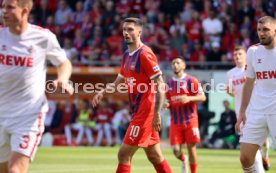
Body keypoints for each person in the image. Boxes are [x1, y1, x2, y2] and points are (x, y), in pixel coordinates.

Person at [0, 0, 74, 173]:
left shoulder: (43, 37)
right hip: (1, 112)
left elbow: (64, 64)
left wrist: (62, 79)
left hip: (28, 115)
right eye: (3, 7)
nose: (4, 11)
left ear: (24, 11)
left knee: (15, 170)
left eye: (10, 7)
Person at [92, 17, 172, 173]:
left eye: (130, 29)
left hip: (145, 113)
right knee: (154, 156)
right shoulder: (126, 55)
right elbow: (118, 82)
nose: (126, 33)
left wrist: (157, 113)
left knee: (123, 154)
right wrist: (103, 91)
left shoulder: (145, 54)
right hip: (138, 112)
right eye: (124, 29)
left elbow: (160, 84)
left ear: (139, 32)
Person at [235, 16, 276, 173]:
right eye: (259, 30)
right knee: (245, 158)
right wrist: (242, 112)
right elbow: (249, 83)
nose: (261, 33)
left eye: (265, 29)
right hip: (257, 110)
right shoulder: (253, 51)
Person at [226, 45, 265, 172]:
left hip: (257, 110)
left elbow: (262, 85)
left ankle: (265, 155)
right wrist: (229, 91)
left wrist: (251, 82)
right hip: (242, 114)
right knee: (251, 146)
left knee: (258, 144)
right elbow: (234, 93)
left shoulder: (252, 68)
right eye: (235, 54)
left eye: (240, 54)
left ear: (246, 56)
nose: (237, 57)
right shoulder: (230, 73)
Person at [164, 56, 206, 173]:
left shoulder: (191, 80)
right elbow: (168, 101)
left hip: (190, 120)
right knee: (176, 150)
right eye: (173, 63)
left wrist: (189, 98)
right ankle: (183, 159)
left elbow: (202, 97)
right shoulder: (169, 83)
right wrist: (167, 105)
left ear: (183, 66)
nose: (175, 65)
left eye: (178, 63)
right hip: (175, 121)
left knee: (191, 149)